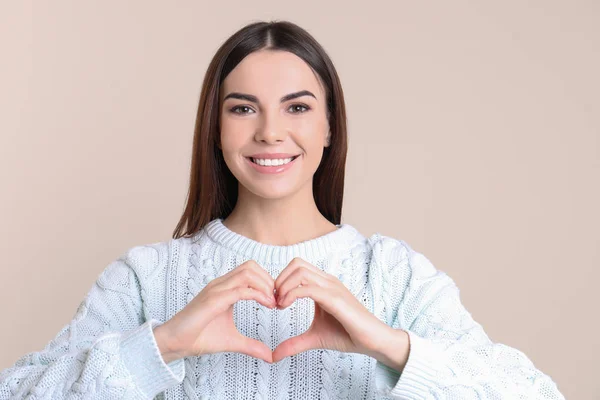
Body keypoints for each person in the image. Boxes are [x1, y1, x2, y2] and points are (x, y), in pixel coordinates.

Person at [0, 20, 565, 400]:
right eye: (243, 108)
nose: (270, 132)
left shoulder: (393, 276)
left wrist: (388, 345)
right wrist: (162, 344)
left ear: (328, 127)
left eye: (297, 107)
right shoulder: (146, 279)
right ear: (215, 129)